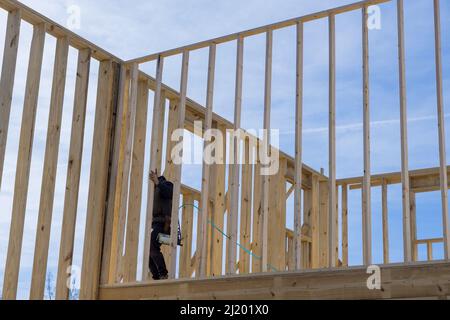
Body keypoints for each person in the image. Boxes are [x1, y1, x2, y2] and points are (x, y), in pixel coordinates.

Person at [149, 169, 173, 280]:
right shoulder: (154, 190)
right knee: (149, 252)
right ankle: (157, 277)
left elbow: (169, 192)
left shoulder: (166, 184)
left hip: (163, 225)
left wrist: (158, 182)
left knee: (152, 246)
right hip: (155, 225)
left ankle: (163, 274)